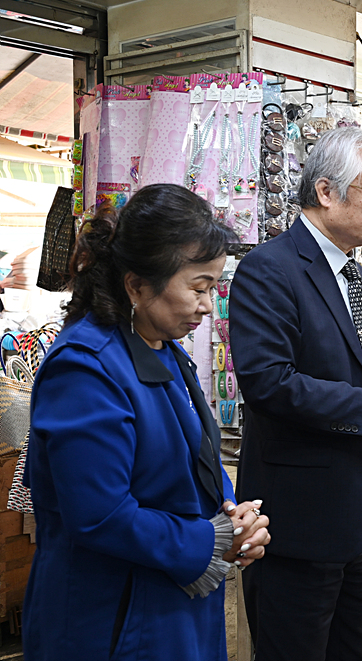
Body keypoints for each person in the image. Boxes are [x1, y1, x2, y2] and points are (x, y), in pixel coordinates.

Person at [22, 184, 270, 661]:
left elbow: (197, 459)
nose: (207, 305)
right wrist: (210, 539)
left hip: (174, 605)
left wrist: (234, 518)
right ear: (136, 285)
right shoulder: (85, 368)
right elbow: (99, 514)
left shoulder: (163, 349)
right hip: (113, 619)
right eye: (198, 287)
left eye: (212, 288)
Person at [229, 126, 362, 661]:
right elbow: (269, 382)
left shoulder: (355, 274)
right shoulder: (270, 268)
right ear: (326, 192)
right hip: (300, 520)